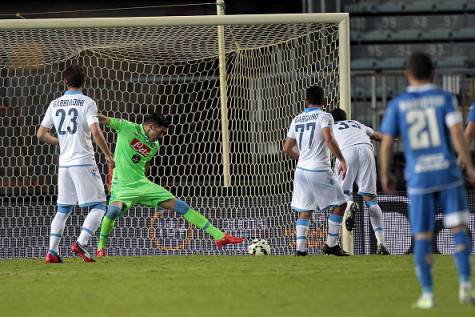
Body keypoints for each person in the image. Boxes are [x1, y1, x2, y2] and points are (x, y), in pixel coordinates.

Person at [380, 52, 475, 308]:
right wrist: (468, 164)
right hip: (446, 172)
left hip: (419, 176)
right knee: (458, 229)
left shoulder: (398, 104)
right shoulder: (445, 98)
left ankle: (427, 294)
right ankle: (465, 284)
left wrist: (384, 173)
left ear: (407, 75)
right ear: (434, 73)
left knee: (422, 235)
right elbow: (458, 134)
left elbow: (387, 144)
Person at [95, 112, 244, 256]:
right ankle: (100, 247)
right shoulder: (126, 127)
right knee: (113, 212)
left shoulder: (155, 146)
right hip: (121, 185)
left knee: (181, 206)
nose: (161, 136)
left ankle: (219, 236)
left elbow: (144, 165)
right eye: (161, 132)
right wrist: (88, 112)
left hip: (142, 184)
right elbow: (103, 119)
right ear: (151, 126)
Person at [37, 64, 114, 263]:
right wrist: (107, 155)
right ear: (84, 82)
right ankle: (81, 242)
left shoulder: (55, 104)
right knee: (99, 206)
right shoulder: (87, 102)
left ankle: (52, 252)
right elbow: (95, 131)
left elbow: (41, 134)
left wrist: (60, 141)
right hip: (83, 161)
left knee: (62, 210)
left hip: (64, 165)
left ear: (65, 82)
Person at [283, 85, 349, 256]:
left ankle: (300, 250)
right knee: (341, 204)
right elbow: (328, 139)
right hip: (319, 169)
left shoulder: (296, 119)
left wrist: (302, 159)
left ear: (305, 101)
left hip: (301, 171)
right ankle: (331, 245)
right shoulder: (325, 116)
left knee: (305, 209)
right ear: (324, 101)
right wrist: (341, 159)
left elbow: (287, 147)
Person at [330, 108, 390, 255]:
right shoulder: (357, 124)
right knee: (371, 200)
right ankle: (381, 243)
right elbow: (377, 136)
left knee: (342, 196)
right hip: (366, 152)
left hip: (345, 153)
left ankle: (350, 204)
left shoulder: (330, 127)